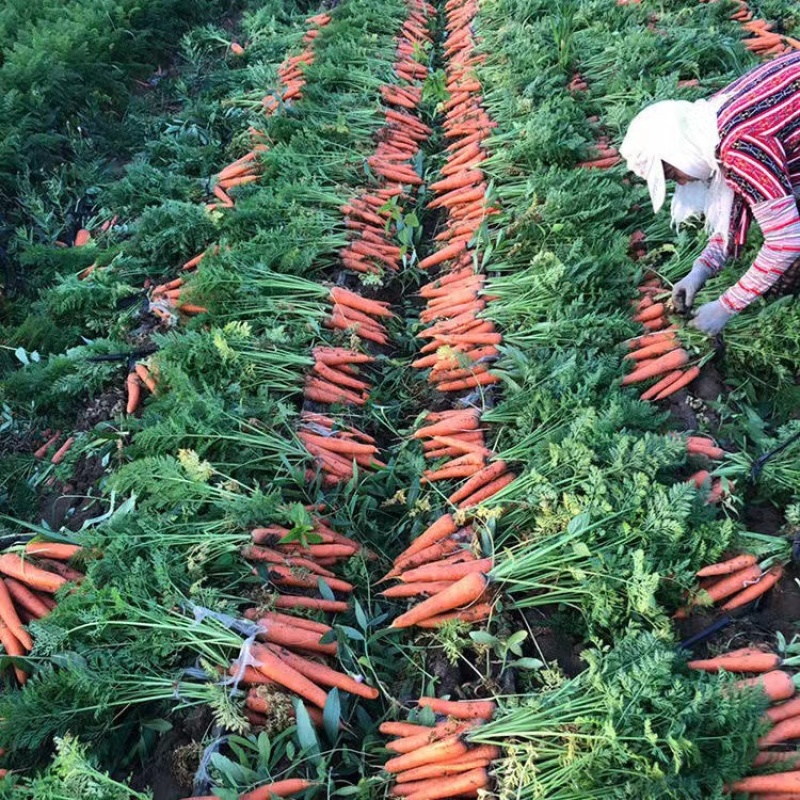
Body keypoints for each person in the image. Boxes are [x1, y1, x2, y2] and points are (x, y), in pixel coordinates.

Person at [620, 51, 800, 335]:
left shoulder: (739, 147)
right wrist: (700, 270)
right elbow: (735, 199)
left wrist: (726, 306)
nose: (680, 182)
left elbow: (786, 241)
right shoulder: (708, 123)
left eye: (671, 173)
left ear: (676, 152)